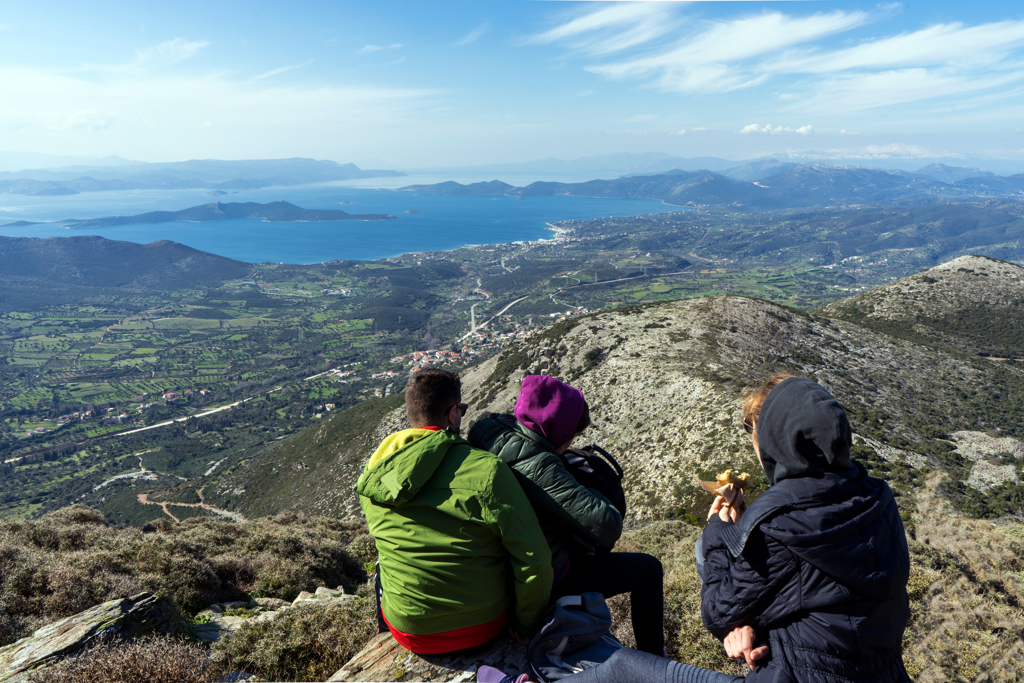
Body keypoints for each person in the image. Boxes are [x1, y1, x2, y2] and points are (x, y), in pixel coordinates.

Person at [481, 373, 911, 683]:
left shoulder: (780, 519)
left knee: (623, 668)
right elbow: (818, 593)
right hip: (879, 671)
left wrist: (719, 532)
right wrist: (755, 624)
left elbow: (719, 610)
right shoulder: (879, 497)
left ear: (778, 439)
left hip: (795, 674)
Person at [357, 368, 553, 655]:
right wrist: (526, 625)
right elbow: (535, 561)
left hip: (407, 630)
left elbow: (405, 493)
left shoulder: (377, 474)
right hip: (481, 626)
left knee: (383, 562)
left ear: (411, 415)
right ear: (453, 415)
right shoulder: (487, 470)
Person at [469, 374, 665, 656]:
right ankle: (656, 659)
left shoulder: (487, 431)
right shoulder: (540, 466)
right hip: (552, 577)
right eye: (571, 437)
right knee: (650, 570)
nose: (570, 444)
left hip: (497, 572)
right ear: (558, 432)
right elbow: (607, 526)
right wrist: (589, 490)